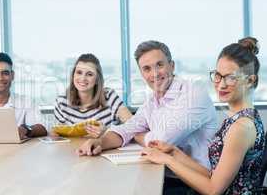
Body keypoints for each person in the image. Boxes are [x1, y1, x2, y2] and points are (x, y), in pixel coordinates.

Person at [76, 41, 218, 192]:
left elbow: (161, 141)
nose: (155, 74)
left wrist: (137, 135)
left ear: (172, 66)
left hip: (193, 183)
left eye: (159, 65)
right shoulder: (153, 100)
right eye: (147, 69)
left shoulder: (193, 94)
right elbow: (127, 128)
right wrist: (100, 142)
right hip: (164, 174)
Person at [141, 37, 265, 195]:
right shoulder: (238, 118)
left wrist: (167, 160)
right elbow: (213, 175)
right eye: (218, 75)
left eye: (231, 77)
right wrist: (174, 152)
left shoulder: (241, 127)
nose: (221, 84)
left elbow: (213, 190)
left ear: (249, 81)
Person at [53, 53, 132, 138]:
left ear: (97, 79)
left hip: (105, 149)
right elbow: (56, 134)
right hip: (73, 150)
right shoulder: (62, 102)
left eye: (89, 74)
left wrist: (107, 132)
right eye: (79, 73)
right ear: (73, 76)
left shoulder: (109, 97)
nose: (83, 78)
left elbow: (133, 125)